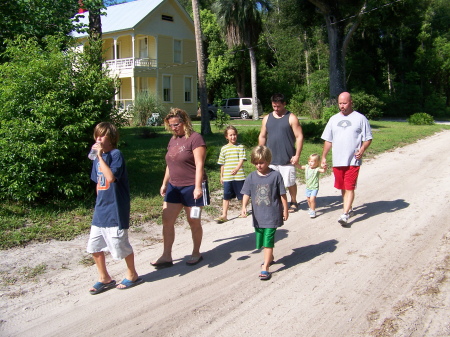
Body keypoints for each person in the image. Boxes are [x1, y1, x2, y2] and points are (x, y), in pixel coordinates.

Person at [87, 122, 142, 294]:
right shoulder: (97, 159)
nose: (98, 138)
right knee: (94, 246)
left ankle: (132, 274)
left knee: (120, 245)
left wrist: (100, 158)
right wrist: (98, 204)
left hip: (116, 210)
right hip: (101, 210)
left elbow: (110, 178)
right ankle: (104, 278)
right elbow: (98, 182)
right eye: (97, 135)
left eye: (102, 135)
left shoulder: (116, 155)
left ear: (111, 137)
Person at [151, 108, 210, 268]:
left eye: (176, 124)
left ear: (185, 122)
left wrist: (198, 187)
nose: (173, 128)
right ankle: (166, 255)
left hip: (192, 186)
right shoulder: (173, 140)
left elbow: (199, 164)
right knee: (167, 220)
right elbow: (170, 164)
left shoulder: (195, 139)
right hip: (174, 186)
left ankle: (196, 252)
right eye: (170, 125)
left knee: (193, 221)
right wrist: (164, 183)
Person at [321, 92, 373, 226]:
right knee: (343, 187)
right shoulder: (333, 119)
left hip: (353, 160)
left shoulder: (360, 119)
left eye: (344, 103)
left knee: (349, 187)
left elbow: (368, 138)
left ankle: (344, 215)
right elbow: (328, 140)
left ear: (351, 102)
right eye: (340, 103)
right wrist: (324, 157)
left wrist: (362, 150)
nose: (342, 106)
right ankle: (349, 208)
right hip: (338, 160)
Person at [240, 146, 288, 281]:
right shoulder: (251, 177)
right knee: (261, 240)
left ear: (268, 160)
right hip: (258, 216)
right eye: (256, 163)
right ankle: (270, 257)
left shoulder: (275, 175)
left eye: (261, 162)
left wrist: (285, 209)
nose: (258, 165)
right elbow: (246, 193)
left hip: (272, 215)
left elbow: (282, 194)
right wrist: (243, 207)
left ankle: (265, 266)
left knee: (268, 240)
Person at [259, 93, 303, 213]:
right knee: (272, 183)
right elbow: (262, 136)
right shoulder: (267, 118)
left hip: (287, 158)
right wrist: (260, 152)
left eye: (278, 106)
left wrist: (297, 155)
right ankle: (277, 202)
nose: (276, 109)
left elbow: (299, 137)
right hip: (271, 158)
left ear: (284, 104)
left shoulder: (291, 117)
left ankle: (293, 201)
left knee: (289, 182)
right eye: (274, 106)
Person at [215, 125, 247, 223]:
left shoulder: (240, 147)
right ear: (226, 137)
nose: (233, 137)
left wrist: (237, 168)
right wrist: (222, 176)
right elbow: (222, 164)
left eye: (234, 134)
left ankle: (244, 211)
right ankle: (224, 214)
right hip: (228, 177)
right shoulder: (224, 149)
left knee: (242, 194)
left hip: (239, 176)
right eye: (230, 135)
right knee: (226, 196)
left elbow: (242, 159)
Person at [295, 154, 327, 219]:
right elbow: (300, 167)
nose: (310, 163)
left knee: (312, 199)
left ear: (317, 162)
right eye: (309, 161)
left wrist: (324, 168)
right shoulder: (306, 167)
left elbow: (323, 171)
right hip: (308, 187)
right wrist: (295, 163)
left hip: (314, 187)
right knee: (308, 200)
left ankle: (313, 211)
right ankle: (310, 208)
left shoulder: (317, 169)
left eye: (312, 161)